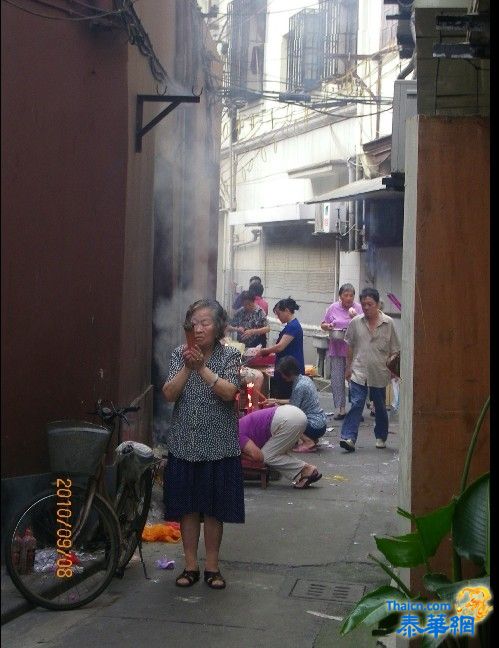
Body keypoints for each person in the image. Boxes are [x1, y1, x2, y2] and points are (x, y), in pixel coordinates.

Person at [162, 299, 244, 590]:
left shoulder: (230, 356)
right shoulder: (178, 355)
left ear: (218, 326)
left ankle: (212, 566)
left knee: (212, 510)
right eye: (194, 323)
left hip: (218, 446)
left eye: (205, 323)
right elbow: (169, 394)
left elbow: (229, 391)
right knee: (187, 509)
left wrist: (203, 370)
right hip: (185, 443)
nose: (198, 329)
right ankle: (190, 566)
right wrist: (188, 367)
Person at [339, 288, 400, 453]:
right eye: (364, 304)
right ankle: (349, 437)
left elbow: (395, 350)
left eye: (370, 304)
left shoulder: (388, 323)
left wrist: (395, 371)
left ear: (378, 304)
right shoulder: (355, 323)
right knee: (357, 403)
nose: (366, 307)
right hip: (359, 371)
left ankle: (381, 436)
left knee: (379, 406)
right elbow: (350, 346)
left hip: (380, 372)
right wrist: (348, 367)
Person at [238, 405, 322, 489]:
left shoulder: (236, 434)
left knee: (267, 456)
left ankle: (306, 469)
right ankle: (304, 472)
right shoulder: (238, 425)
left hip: (288, 420)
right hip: (291, 415)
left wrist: (238, 455)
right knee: (276, 453)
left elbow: (258, 457)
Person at [263, 356, 327, 452]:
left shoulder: (299, 386)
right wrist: (276, 401)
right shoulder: (305, 379)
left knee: (290, 421)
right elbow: (295, 401)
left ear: (288, 373)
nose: (282, 377)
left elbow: (293, 410)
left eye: (282, 374)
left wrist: (275, 407)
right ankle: (311, 439)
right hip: (320, 423)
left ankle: (308, 441)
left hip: (314, 426)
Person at [320, 283, 362, 420]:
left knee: (355, 380)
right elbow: (323, 325)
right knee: (337, 380)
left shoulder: (358, 308)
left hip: (354, 351)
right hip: (337, 348)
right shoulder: (333, 308)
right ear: (340, 296)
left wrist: (355, 318)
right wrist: (329, 326)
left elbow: (364, 326)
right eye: (346, 295)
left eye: (351, 295)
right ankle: (341, 409)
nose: (349, 298)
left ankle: (357, 410)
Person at [258, 297, 304, 399]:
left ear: (287, 310)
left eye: (279, 314)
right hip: (286, 367)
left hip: (290, 369)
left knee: (287, 397)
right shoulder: (290, 326)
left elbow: (280, 347)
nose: (278, 317)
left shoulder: (293, 326)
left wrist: (264, 351)